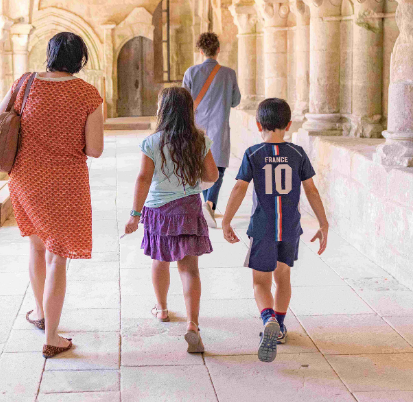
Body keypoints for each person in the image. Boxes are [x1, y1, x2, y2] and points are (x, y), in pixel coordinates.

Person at [0, 32, 104, 358]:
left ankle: (41, 313)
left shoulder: (24, 83)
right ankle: (53, 336)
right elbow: (95, 150)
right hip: (65, 183)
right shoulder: (87, 94)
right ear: (80, 60)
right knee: (58, 255)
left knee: (37, 244)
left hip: (26, 179)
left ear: (50, 53)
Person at [221, 98, 328, 363]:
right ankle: (279, 326)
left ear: (259, 124)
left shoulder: (253, 153)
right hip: (290, 227)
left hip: (263, 227)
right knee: (283, 277)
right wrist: (324, 223)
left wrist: (226, 220)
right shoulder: (298, 153)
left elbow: (239, 188)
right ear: (289, 124)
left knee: (260, 281)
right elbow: (311, 190)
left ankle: (268, 317)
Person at [124, 87, 219, 353]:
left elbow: (143, 178)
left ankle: (163, 309)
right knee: (190, 269)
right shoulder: (199, 140)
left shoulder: (153, 142)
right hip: (188, 208)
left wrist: (135, 214)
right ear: (188, 110)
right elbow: (212, 175)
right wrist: (191, 186)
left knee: (160, 261)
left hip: (159, 211)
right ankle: (192, 324)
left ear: (162, 110)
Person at [183, 32, 241, 228]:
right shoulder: (229, 73)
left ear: (200, 51)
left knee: (200, 168)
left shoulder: (190, 73)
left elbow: (184, 102)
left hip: (196, 128)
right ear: (218, 50)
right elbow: (236, 101)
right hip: (219, 128)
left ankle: (206, 205)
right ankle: (209, 205)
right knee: (219, 168)